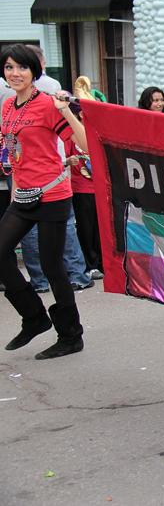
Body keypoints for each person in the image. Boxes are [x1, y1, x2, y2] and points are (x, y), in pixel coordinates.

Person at [0, 43, 89, 359]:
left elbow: (83, 142)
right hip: (22, 194)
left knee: (53, 267)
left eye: (21, 67)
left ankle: (70, 336)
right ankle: (35, 317)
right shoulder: (8, 106)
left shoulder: (49, 105)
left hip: (52, 194)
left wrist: (64, 108)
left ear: (34, 71)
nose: (15, 73)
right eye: (9, 67)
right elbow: (14, 153)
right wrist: (13, 188)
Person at [64, 98, 103, 279]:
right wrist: (68, 161)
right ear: (81, 113)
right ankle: (89, 264)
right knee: (86, 228)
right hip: (81, 187)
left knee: (101, 228)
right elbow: (63, 156)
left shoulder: (98, 130)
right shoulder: (72, 133)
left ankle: (102, 263)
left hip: (101, 187)